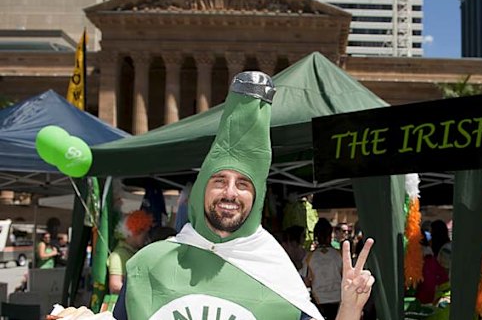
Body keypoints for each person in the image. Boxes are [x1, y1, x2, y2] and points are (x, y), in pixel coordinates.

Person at [113, 72, 375, 320]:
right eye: (219, 181)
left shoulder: (277, 275)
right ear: (202, 189)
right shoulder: (149, 263)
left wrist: (349, 308)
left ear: (256, 197)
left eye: (243, 184)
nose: (230, 192)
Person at [302, 218, 342, 320]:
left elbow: (306, 282)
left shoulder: (309, 257)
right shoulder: (339, 254)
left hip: (319, 301)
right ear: (330, 234)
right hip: (339, 300)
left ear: (316, 236)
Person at [107, 210, 152, 294]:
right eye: (143, 233)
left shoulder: (133, 252)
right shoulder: (119, 255)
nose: (146, 237)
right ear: (134, 232)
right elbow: (115, 285)